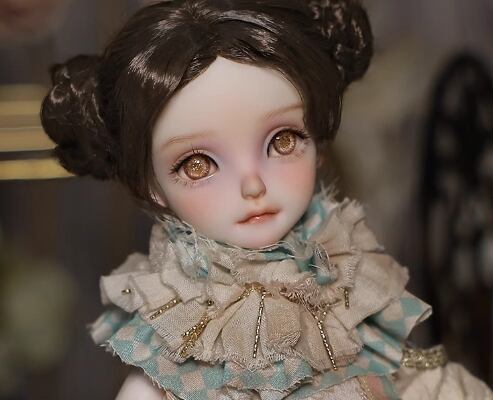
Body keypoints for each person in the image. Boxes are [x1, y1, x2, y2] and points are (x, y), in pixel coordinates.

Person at [40, 0, 493, 398]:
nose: (253, 184)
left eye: (283, 140)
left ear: (317, 139)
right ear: (152, 184)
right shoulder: (184, 337)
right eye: (198, 165)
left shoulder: (345, 283)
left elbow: (410, 376)